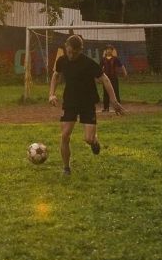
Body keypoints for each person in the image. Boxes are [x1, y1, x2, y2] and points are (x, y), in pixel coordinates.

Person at [49, 35, 124, 175]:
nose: (71, 55)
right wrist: (51, 94)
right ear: (66, 47)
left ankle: (94, 141)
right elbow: (56, 75)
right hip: (70, 101)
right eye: (69, 51)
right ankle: (66, 168)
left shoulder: (89, 63)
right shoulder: (62, 61)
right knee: (65, 136)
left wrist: (113, 101)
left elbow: (106, 80)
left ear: (80, 50)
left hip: (87, 102)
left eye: (74, 52)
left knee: (88, 139)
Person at [100, 43, 127, 112]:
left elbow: (121, 65)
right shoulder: (103, 59)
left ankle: (118, 107)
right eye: (107, 49)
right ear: (105, 51)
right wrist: (98, 77)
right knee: (105, 93)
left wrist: (124, 72)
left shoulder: (115, 59)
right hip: (106, 78)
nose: (108, 51)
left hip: (114, 77)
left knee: (116, 92)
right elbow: (99, 68)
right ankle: (106, 108)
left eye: (110, 49)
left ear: (112, 51)